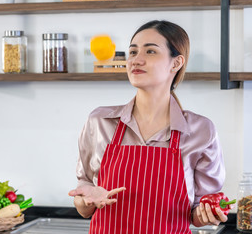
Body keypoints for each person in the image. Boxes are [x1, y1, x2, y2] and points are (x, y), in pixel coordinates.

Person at [69, 20, 231, 233]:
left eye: (151, 51)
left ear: (176, 63)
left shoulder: (200, 130)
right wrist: (86, 201)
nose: (137, 59)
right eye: (133, 52)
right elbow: (84, 204)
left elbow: (196, 212)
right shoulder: (100, 122)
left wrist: (206, 215)